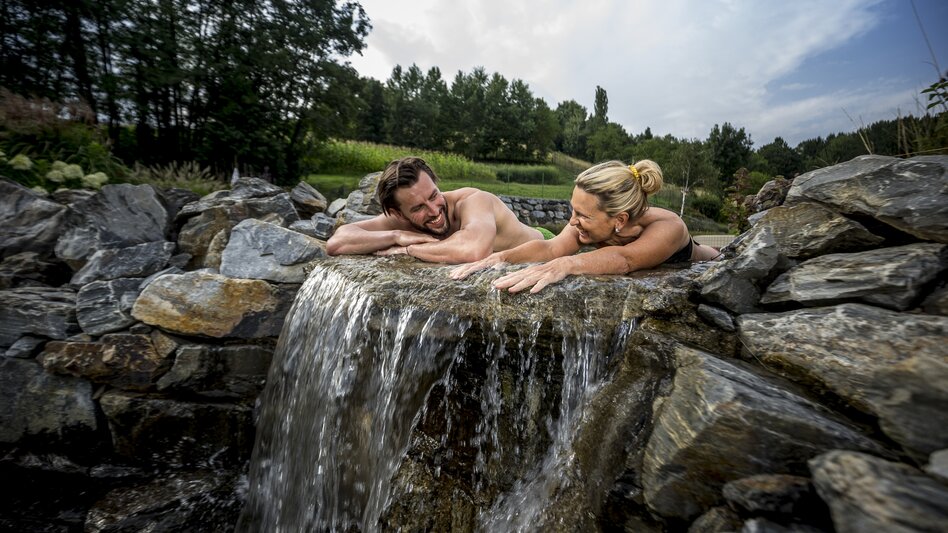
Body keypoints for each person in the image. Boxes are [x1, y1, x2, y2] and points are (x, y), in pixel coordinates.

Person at [450, 159, 721, 293]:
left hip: (715, 264)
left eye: (583, 215)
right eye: (573, 210)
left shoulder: (668, 226)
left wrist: (568, 265)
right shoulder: (588, 225)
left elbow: (625, 260)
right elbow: (551, 248)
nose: (572, 221)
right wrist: (500, 258)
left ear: (620, 220)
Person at [326, 156, 545, 264]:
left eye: (434, 195)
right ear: (398, 213)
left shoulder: (473, 201)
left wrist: (408, 249)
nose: (434, 210)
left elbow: (475, 251)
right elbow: (338, 241)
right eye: (419, 207)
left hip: (545, 244)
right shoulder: (400, 222)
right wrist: (396, 235)